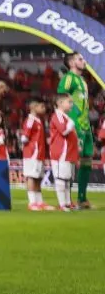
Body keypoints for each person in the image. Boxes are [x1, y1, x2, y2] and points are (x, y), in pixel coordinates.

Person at [58, 53, 93, 209]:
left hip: (85, 125)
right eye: (80, 59)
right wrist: (66, 122)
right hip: (75, 125)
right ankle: (68, 200)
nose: (83, 61)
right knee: (71, 162)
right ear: (72, 63)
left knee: (87, 160)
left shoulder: (82, 80)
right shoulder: (69, 78)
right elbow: (60, 99)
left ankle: (82, 199)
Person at [20, 98, 52, 211]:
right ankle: (32, 202)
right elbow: (24, 137)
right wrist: (31, 147)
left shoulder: (38, 120)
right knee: (31, 177)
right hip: (32, 154)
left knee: (38, 178)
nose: (44, 109)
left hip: (39, 154)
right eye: (42, 106)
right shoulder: (30, 120)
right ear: (34, 107)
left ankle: (39, 202)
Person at [49, 94, 80, 212]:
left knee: (66, 179)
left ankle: (67, 203)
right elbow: (64, 131)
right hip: (60, 153)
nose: (71, 104)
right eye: (69, 102)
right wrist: (72, 123)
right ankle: (62, 204)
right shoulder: (58, 115)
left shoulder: (64, 116)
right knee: (61, 179)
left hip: (68, 153)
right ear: (60, 103)